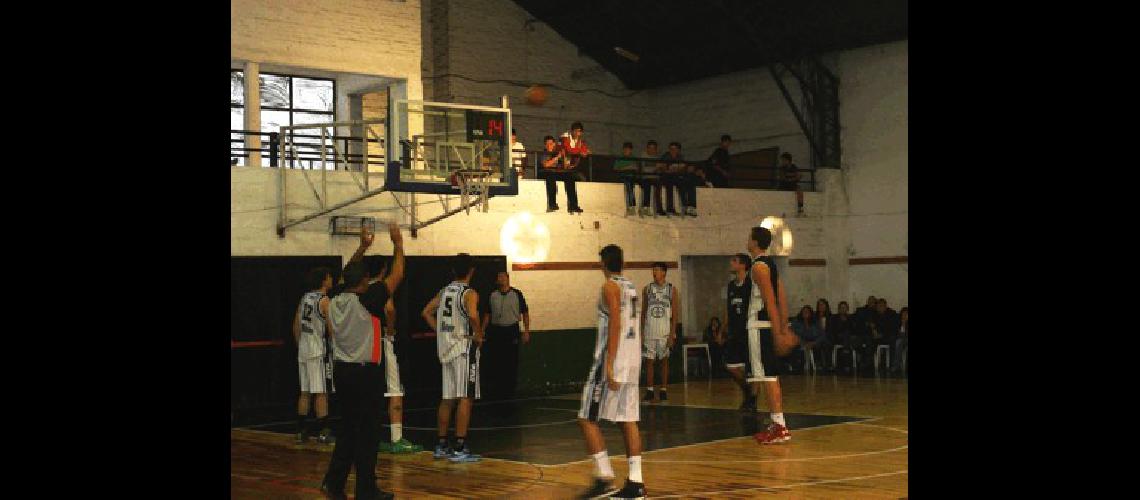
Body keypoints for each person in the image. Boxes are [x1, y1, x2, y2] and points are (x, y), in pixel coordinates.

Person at [320, 224, 405, 500]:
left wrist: (362, 247)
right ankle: (366, 490)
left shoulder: (334, 299)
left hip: (342, 372)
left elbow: (348, 274)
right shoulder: (368, 300)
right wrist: (398, 243)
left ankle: (333, 482)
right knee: (367, 434)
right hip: (364, 373)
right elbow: (397, 275)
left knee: (347, 429)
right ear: (364, 282)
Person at [576, 244, 647, 499]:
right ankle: (636, 483)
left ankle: (604, 478)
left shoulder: (609, 287)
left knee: (586, 417)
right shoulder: (631, 286)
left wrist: (609, 362)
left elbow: (616, 322)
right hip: (632, 359)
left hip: (614, 359)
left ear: (603, 264)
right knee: (627, 419)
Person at [422, 253, 484, 463]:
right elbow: (474, 316)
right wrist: (478, 334)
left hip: (445, 350)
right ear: (472, 271)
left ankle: (441, 445)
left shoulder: (445, 291)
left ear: (452, 271)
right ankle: (459, 446)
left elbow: (426, 312)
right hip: (463, 348)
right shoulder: (469, 293)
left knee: (447, 398)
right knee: (465, 397)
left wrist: (441, 332)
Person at [746, 226, 799, 444]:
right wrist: (784, 326)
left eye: (748, 238)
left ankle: (778, 426)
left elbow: (770, 300)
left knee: (767, 377)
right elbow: (782, 297)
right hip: (768, 325)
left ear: (755, 242)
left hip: (760, 325)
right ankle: (779, 424)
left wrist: (778, 333)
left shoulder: (759, 267)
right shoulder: (771, 265)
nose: (746, 241)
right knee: (771, 376)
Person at [293, 266, 335, 445]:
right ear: (324, 280)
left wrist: (300, 345)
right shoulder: (325, 300)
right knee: (321, 392)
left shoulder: (305, 297)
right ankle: (323, 431)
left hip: (303, 348)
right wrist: (335, 347)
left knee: (305, 392)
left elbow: (295, 325)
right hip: (317, 350)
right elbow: (332, 329)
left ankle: (300, 431)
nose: (331, 279)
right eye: (329, 277)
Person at [480, 271, 531, 400]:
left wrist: (526, 331)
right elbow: (487, 314)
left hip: (512, 330)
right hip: (496, 330)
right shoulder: (493, 295)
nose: (500, 279)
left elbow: (525, 313)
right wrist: (481, 330)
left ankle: (510, 389)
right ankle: (498, 389)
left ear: (508, 279)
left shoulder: (517, 294)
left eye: (503, 277)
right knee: (497, 361)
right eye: (498, 277)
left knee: (511, 361)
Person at [722, 253, 760, 411]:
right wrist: (723, 328)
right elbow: (728, 309)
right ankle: (748, 391)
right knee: (731, 367)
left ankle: (752, 399)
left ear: (743, 265)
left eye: (735, 261)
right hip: (734, 331)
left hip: (749, 330)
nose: (731, 263)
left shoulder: (752, 285)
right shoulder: (731, 286)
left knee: (753, 369)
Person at [642, 262, 680, 403]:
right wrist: (641, 332)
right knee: (649, 362)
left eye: (657, 270)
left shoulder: (671, 289)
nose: (654, 272)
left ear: (664, 272)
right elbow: (643, 313)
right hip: (650, 331)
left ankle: (663, 389)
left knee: (664, 361)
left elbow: (675, 314)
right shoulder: (647, 289)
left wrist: (672, 334)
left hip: (664, 331)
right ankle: (650, 390)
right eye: (653, 270)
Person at [540, 135, 582, 213]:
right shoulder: (545, 153)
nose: (550, 146)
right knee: (550, 178)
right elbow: (546, 165)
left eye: (552, 143)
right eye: (548, 144)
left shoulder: (558, 152)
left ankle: (573, 205)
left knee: (570, 177)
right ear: (545, 145)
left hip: (558, 172)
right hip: (548, 173)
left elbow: (566, 166)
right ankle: (552, 204)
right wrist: (557, 157)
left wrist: (565, 158)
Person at [614, 142, 651, 217]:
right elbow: (616, 168)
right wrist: (627, 168)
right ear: (623, 150)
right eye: (625, 149)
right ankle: (631, 206)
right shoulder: (620, 158)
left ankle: (645, 207)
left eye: (628, 149)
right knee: (629, 185)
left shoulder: (633, 158)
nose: (627, 151)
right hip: (624, 176)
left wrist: (632, 168)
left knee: (646, 184)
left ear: (631, 150)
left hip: (633, 176)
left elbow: (636, 168)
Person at [790, 306, 824, 371]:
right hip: (800, 342)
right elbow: (792, 334)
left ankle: (818, 364)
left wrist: (814, 343)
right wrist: (802, 342)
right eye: (804, 312)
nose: (806, 313)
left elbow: (821, 335)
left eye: (807, 312)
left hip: (813, 342)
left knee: (821, 345)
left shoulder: (815, 323)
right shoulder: (796, 322)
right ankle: (797, 366)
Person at [560, 121, 591, 187]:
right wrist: (580, 152)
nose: (577, 133)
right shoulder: (565, 136)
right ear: (571, 131)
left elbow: (586, 151)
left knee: (584, 178)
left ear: (581, 133)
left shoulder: (580, 141)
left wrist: (584, 152)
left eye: (579, 131)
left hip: (573, 167)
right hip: (561, 166)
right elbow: (568, 150)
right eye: (575, 131)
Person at [644, 140, 665, 216]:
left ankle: (659, 209)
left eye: (653, 148)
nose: (652, 150)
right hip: (646, 177)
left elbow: (661, 168)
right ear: (647, 148)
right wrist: (655, 168)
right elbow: (644, 169)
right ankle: (646, 208)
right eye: (650, 148)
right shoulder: (643, 156)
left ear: (656, 149)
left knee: (659, 188)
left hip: (656, 178)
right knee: (647, 187)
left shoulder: (658, 157)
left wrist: (660, 168)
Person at [815, 299, 833, 370]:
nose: (821, 306)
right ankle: (819, 363)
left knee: (826, 343)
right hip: (817, 337)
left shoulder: (830, 317)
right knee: (817, 344)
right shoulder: (814, 317)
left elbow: (831, 330)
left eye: (822, 305)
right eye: (819, 305)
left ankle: (828, 364)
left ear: (826, 306)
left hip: (827, 337)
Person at [893, 307, 908, 374]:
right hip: (902, 340)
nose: (904, 316)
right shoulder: (897, 322)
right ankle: (897, 365)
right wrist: (903, 325)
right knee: (898, 342)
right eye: (903, 314)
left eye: (906, 314)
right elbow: (899, 335)